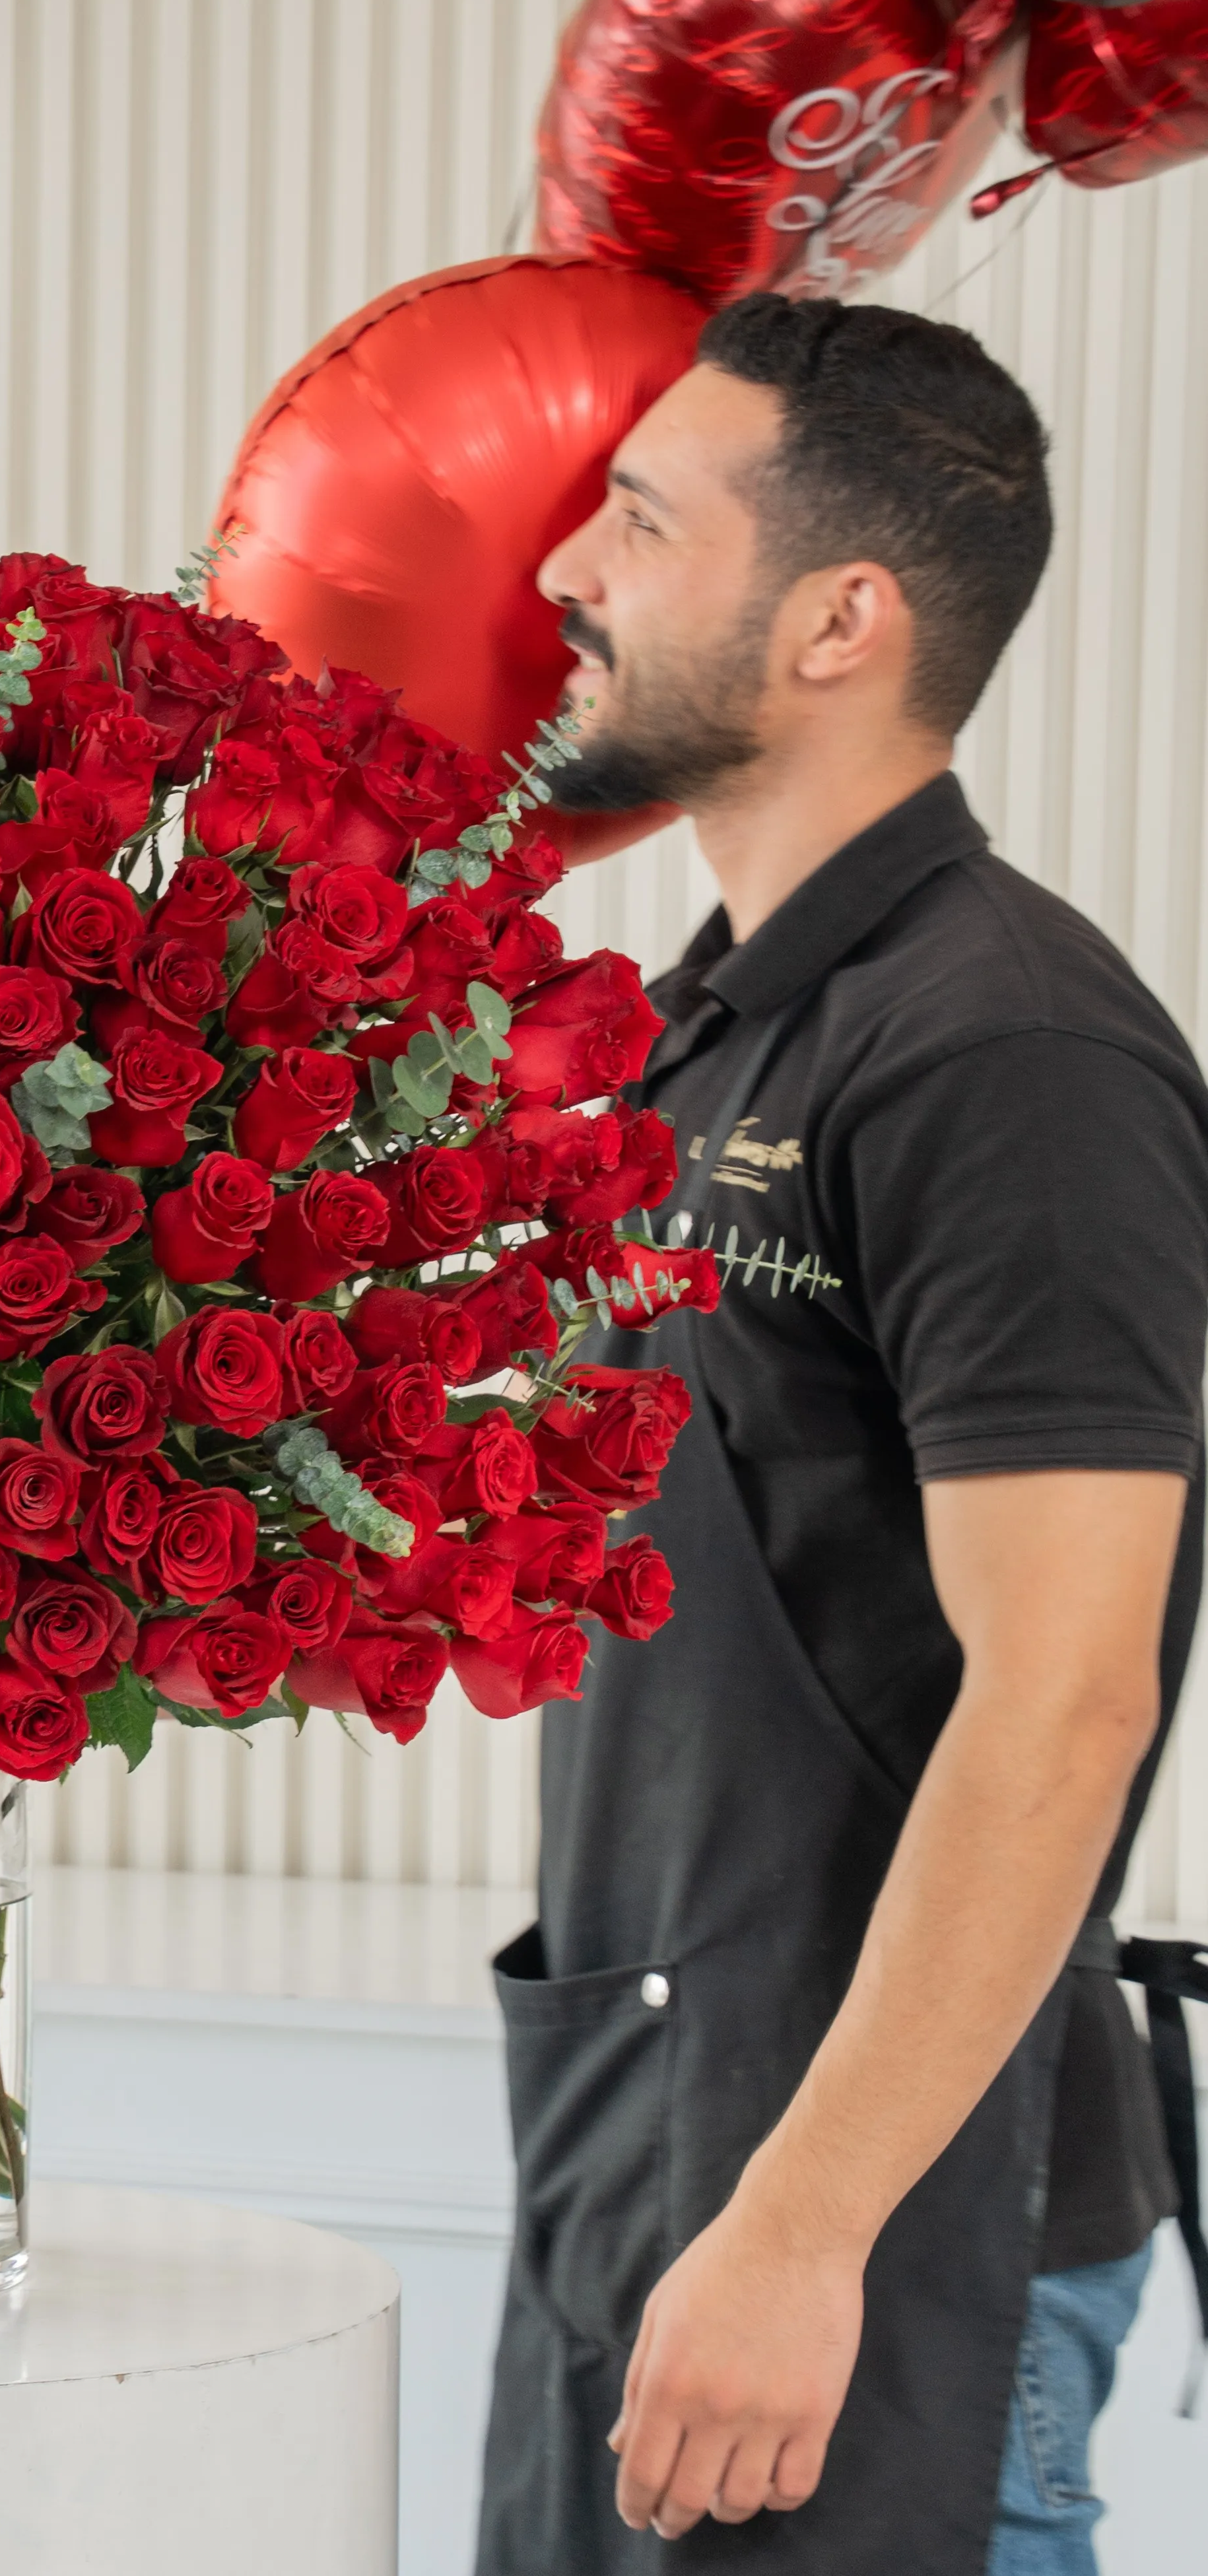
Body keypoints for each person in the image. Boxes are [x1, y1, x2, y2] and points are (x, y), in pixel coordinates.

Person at [476, 292, 1208, 2575]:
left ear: (838, 619)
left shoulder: (1009, 1055)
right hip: (665, 2163)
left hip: (875, 2245)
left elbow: (1066, 1694)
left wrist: (802, 2236)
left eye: (638, 520)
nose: (560, 576)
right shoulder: (710, 1043)